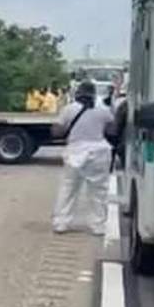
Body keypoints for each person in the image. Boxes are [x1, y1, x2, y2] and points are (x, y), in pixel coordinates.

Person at [50, 80, 117, 235]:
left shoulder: (68, 109)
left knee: (68, 188)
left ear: (78, 93)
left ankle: (61, 223)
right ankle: (97, 226)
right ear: (94, 95)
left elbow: (57, 132)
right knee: (98, 191)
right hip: (99, 152)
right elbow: (112, 130)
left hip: (75, 153)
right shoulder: (103, 110)